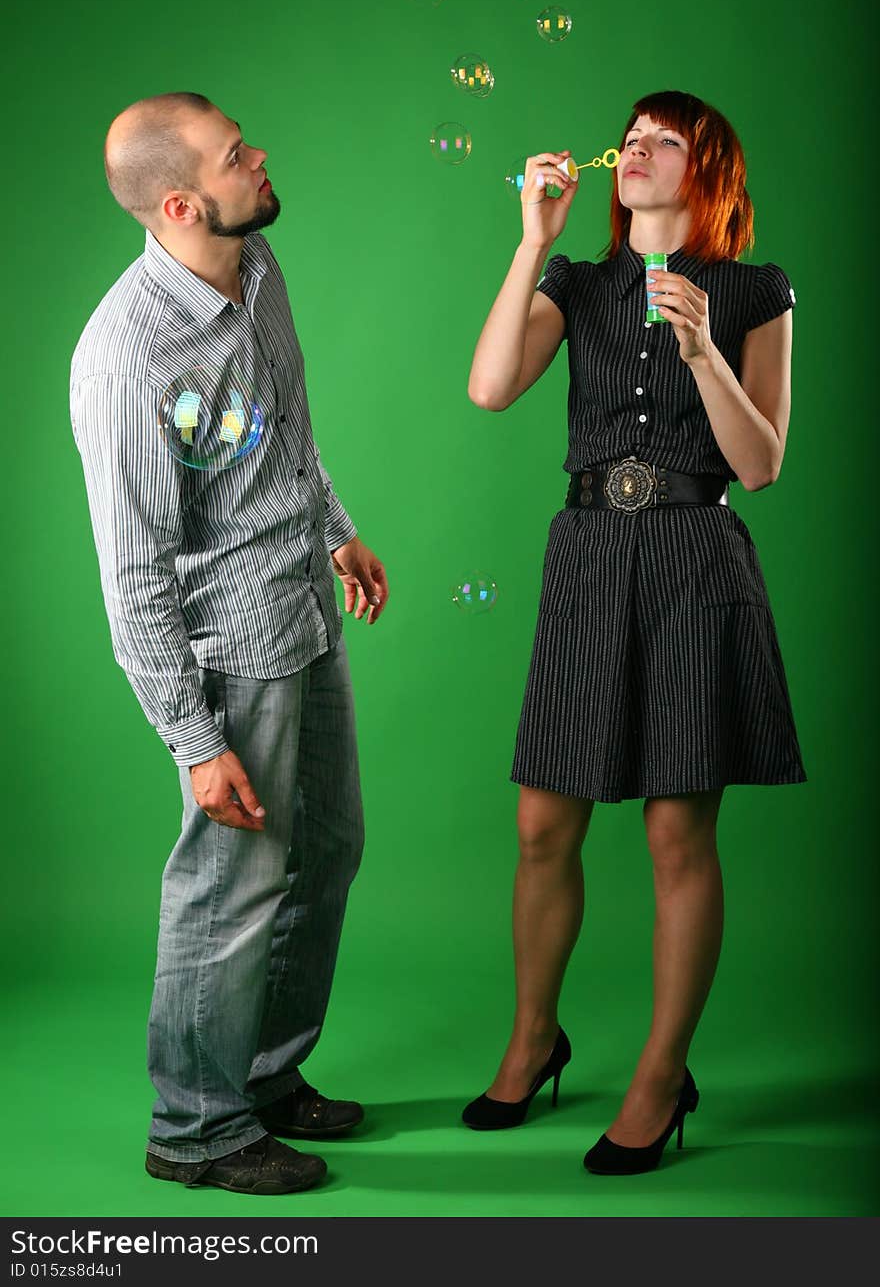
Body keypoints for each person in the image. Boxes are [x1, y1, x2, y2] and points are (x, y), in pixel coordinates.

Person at [461, 89, 806, 1175]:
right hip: (587, 557)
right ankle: (532, 1039)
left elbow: (758, 467)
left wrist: (704, 351)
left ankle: (661, 1076)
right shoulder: (580, 279)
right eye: (636, 137)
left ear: (711, 171)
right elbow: (488, 387)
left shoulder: (756, 289)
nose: (640, 151)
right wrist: (531, 244)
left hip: (695, 557)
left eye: (670, 141)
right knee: (540, 827)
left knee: (674, 836)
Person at [70, 92, 389, 1195]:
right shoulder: (128, 359)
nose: (260, 159)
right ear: (178, 201)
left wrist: (336, 532)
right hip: (227, 653)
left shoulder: (254, 269)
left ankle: (260, 1077)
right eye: (234, 156)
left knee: (328, 851)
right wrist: (194, 741)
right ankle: (194, 1130)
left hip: (300, 604)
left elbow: (282, 434)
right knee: (229, 887)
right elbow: (134, 576)